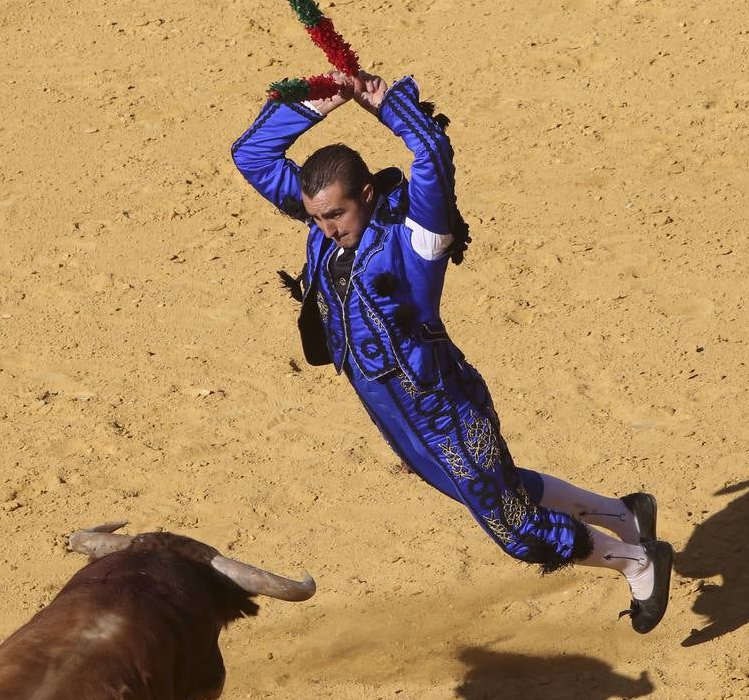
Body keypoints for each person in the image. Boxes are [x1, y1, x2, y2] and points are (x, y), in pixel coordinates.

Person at [231, 71, 673, 633]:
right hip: (388, 404)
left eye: (334, 215)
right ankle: (623, 513)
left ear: (366, 195)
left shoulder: (415, 236)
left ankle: (638, 561)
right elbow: (251, 154)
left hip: (443, 405)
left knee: (514, 527)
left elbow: (432, 150)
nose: (323, 228)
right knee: (488, 487)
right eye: (316, 217)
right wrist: (328, 95)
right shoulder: (328, 224)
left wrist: (381, 102)